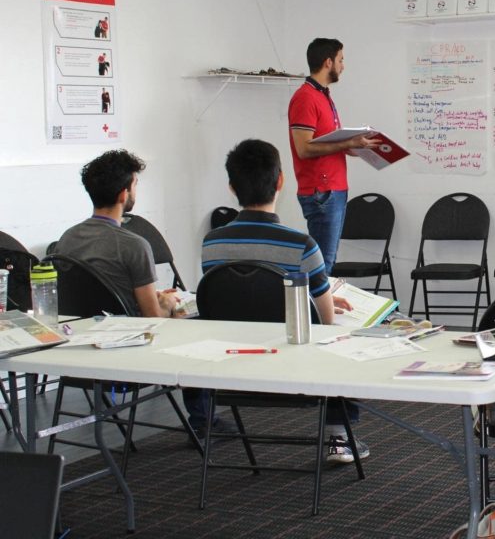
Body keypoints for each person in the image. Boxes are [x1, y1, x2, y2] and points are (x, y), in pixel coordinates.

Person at [200, 138, 367, 464]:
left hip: (231, 360)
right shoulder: (301, 245)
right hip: (292, 357)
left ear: (232, 188)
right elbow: (325, 322)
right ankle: (337, 435)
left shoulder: (212, 244)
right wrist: (328, 299)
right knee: (345, 332)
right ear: (280, 181)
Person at [288, 37, 380, 269]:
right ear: (328, 62)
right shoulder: (305, 97)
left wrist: (357, 145)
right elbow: (304, 148)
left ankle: (321, 305)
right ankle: (315, 306)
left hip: (334, 188)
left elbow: (329, 142)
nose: (343, 65)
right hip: (321, 191)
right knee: (322, 266)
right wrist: (347, 142)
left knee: (327, 262)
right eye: (341, 59)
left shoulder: (323, 95)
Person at [55, 149, 180, 319]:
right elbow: (154, 318)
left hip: (80, 330)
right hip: (129, 335)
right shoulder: (135, 245)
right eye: (135, 184)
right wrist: (167, 303)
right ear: (123, 194)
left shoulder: (67, 238)